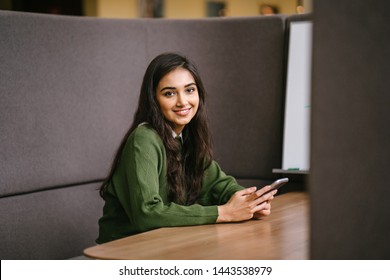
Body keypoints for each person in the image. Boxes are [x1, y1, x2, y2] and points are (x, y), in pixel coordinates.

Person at [96, 53, 277, 244]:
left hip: (164, 246)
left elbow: (219, 184)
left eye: (190, 90)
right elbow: (147, 213)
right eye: (169, 93)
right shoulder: (144, 139)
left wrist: (251, 203)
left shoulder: (187, 136)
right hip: (121, 252)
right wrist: (223, 212)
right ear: (153, 100)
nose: (183, 102)